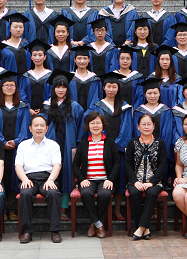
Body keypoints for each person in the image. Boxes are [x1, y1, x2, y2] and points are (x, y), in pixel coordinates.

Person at [88, 72, 132, 220]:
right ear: (104, 88)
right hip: (101, 149)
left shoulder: (125, 106)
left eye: (114, 86)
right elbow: (96, 127)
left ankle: (117, 210)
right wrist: (105, 143)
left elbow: (127, 127)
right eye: (109, 86)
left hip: (119, 150)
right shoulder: (97, 106)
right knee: (103, 178)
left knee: (119, 179)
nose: (111, 89)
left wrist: (116, 144)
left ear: (118, 88)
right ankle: (103, 211)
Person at [42, 70, 85, 221]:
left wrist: (76, 146)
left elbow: (80, 129)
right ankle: (52, 209)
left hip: (68, 147)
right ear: (53, 88)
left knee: (67, 177)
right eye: (57, 87)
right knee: (51, 175)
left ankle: (63, 209)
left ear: (68, 88)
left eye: (64, 87)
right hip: (49, 147)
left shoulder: (75, 107)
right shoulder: (46, 106)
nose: (61, 90)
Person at [0, 73, 31, 220]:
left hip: (17, 148)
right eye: (6, 85)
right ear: (1, 87)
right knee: (1, 175)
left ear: (16, 87)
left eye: (12, 85)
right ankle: (1, 209)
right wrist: (2, 142)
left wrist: (16, 141)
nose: (9, 87)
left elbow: (25, 128)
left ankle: (12, 209)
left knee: (14, 176)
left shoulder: (23, 107)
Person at [15, 115, 63, 244]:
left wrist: (51, 179)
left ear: (47, 128)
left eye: (42, 125)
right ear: (30, 128)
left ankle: (55, 230)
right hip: (28, 178)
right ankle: (26, 231)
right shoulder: (23, 145)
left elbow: (57, 165)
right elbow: (18, 165)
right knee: (25, 194)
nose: (39, 128)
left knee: (53, 193)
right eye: (36, 125)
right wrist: (24, 179)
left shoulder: (53, 145)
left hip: (47, 178)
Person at [72, 111, 120, 238]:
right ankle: (99, 224)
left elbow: (117, 163)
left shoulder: (110, 142)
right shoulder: (83, 143)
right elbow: (75, 165)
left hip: (105, 179)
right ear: (88, 126)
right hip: (88, 180)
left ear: (103, 125)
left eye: (98, 123)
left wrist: (110, 179)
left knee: (105, 194)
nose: (95, 126)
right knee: (86, 193)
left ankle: (94, 223)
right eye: (92, 123)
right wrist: (81, 179)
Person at [124, 114, 168, 240]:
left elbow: (162, 165)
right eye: (143, 124)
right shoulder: (132, 143)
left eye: (149, 124)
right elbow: (128, 164)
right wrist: (135, 181)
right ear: (138, 127)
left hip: (155, 182)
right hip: (135, 181)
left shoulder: (160, 143)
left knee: (152, 193)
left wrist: (152, 182)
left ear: (153, 126)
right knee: (134, 193)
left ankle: (140, 228)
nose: (146, 127)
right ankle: (145, 228)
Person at [22, 39, 52, 115]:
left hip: (47, 112)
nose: (37, 58)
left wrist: (44, 108)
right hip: (28, 113)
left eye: (40, 55)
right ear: (31, 57)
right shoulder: (26, 76)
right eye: (34, 55)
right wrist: (28, 108)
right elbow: (22, 93)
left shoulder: (50, 75)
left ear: (45, 57)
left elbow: (52, 94)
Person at [70, 45, 101, 110]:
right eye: (79, 58)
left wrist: (90, 113)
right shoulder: (70, 78)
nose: (82, 61)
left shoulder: (95, 79)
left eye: (85, 58)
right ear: (75, 60)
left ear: (89, 60)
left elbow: (96, 98)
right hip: (73, 113)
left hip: (91, 113)